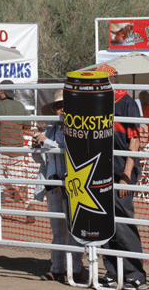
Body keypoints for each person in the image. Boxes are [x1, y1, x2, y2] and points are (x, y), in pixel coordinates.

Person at [100, 72, 147, 290]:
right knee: (105, 221)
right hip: (101, 171)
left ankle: (135, 273)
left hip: (121, 172)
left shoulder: (127, 104)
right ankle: (111, 271)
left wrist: (127, 175)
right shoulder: (99, 103)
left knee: (124, 222)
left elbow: (135, 140)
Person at [32, 91, 84, 284]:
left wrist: (45, 142)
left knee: (73, 229)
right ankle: (57, 268)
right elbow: (38, 158)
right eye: (58, 106)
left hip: (73, 185)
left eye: (64, 105)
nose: (61, 109)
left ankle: (75, 269)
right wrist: (36, 146)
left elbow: (70, 151)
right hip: (54, 184)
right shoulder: (51, 128)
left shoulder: (78, 128)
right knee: (58, 231)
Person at [0, 80, 31, 215]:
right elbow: (27, 126)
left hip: (1, 149)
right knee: (13, 182)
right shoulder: (21, 106)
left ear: (2, 91)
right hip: (17, 149)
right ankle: (27, 205)